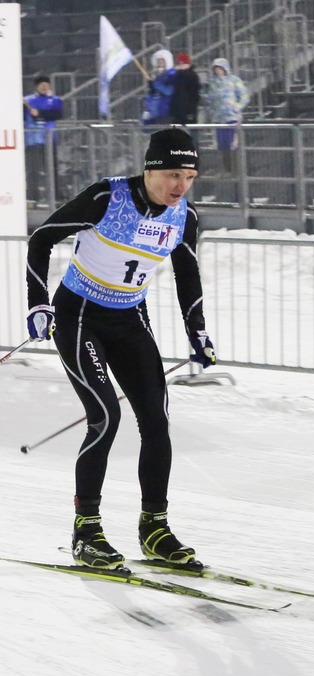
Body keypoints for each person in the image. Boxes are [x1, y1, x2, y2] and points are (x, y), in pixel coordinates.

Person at [24, 128, 216, 570]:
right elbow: (42, 238)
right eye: (172, 174)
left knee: (156, 419)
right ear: (149, 169)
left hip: (129, 320)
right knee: (105, 416)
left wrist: (198, 332)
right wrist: (38, 303)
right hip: (79, 318)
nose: (180, 186)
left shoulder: (184, 216)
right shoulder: (107, 198)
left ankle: (155, 528)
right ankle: (87, 532)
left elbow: (187, 275)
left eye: (189, 176)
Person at [202, 58, 249, 175]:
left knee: (232, 143)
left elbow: (244, 96)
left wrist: (236, 107)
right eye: (215, 68)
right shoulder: (212, 83)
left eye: (219, 68)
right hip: (219, 118)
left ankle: (236, 170)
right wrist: (211, 111)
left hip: (232, 117)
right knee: (222, 144)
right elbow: (210, 99)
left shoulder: (234, 80)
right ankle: (227, 169)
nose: (218, 71)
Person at [23, 74, 64, 201]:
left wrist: (39, 114)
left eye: (47, 85)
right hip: (32, 140)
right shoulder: (28, 100)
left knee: (51, 170)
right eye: (42, 85)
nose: (44, 87)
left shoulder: (55, 100)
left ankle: (55, 196)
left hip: (49, 139)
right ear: (37, 87)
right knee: (32, 171)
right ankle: (32, 197)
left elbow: (57, 114)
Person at [142, 49, 175, 126]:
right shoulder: (158, 77)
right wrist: (148, 109)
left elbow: (170, 91)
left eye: (162, 61)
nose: (160, 64)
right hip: (156, 113)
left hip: (167, 113)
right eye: (158, 61)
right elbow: (153, 95)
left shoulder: (172, 75)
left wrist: (155, 85)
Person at [168, 52, 201, 125]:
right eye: (180, 64)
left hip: (188, 110)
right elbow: (173, 94)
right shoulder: (176, 76)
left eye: (183, 64)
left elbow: (194, 95)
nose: (181, 66)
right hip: (177, 110)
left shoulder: (192, 76)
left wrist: (191, 112)